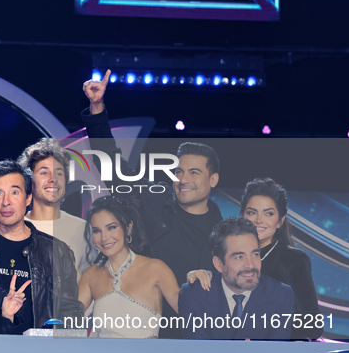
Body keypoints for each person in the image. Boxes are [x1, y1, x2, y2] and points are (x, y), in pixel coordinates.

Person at [81, 70, 223, 335]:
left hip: (201, 339)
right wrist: (97, 109)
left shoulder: (225, 234)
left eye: (195, 173)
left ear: (213, 179)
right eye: (178, 171)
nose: (184, 179)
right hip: (150, 333)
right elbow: (111, 165)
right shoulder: (155, 203)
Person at [0, 159, 84, 332]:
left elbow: (70, 313)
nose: (6, 202)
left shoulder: (57, 251)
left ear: (28, 198)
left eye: (14, 193)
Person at [77, 197, 211, 338]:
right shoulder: (92, 274)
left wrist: (194, 283)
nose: (104, 237)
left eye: (111, 227)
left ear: (128, 228)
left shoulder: (155, 269)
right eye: (97, 231)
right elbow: (69, 320)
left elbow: (191, 314)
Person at [179, 217, 295, 340]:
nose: (250, 265)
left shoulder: (282, 295)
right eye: (239, 257)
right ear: (219, 264)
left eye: (255, 254)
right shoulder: (193, 294)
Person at [240, 178, 322, 339]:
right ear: (241, 215)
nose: (258, 220)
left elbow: (312, 326)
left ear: (280, 221)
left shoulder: (293, 260)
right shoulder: (227, 258)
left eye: (268, 213)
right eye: (252, 212)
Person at [19, 137, 89, 279]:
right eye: (44, 172)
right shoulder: (16, 229)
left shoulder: (82, 228)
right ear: (29, 181)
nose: (53, 179)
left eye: (59, 173)